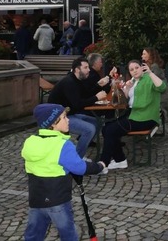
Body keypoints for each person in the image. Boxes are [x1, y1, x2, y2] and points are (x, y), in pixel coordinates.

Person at [21, 103, 106, 241]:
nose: (68, 120)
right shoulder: (62, 145)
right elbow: (80, 167)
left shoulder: (30, 142)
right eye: (64, 118)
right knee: (68, 234)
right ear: (53, 123)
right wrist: (99, 166)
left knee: (33, 234)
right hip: (58, 200)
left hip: (36, 199)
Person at [99, 60, 166, 173]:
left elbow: (162, 87)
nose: (134, 71)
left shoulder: (149, 78)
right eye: (131, 69)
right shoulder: (134, 81)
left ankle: (103, 164)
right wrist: (127, 88)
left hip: (146, 118)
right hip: (133, 115)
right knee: (106, 128)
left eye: (136, 68)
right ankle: (120, 159)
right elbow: (126, 99)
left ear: (142, 67)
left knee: (110, 130)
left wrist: (150, 73)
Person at [48, 57, 108, 159]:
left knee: (98, 122)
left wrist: (98, 85)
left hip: (69, 114)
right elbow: (78, 104)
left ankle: (80, 146)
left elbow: (86, 94)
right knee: (89, 129)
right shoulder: (70, 82)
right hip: (57, 118)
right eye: (85, 67)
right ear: (77, 70)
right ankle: (77, 158)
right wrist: (96, 97)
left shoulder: (77, 79)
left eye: (88, 67)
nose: (89, 70)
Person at [142, 47, 168, 123]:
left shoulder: (154, 67)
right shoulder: (152, 66)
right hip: (163, 99)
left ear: (150, 55)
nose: (142, 56)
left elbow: (150, 84)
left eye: (144, 54)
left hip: (162, 102)